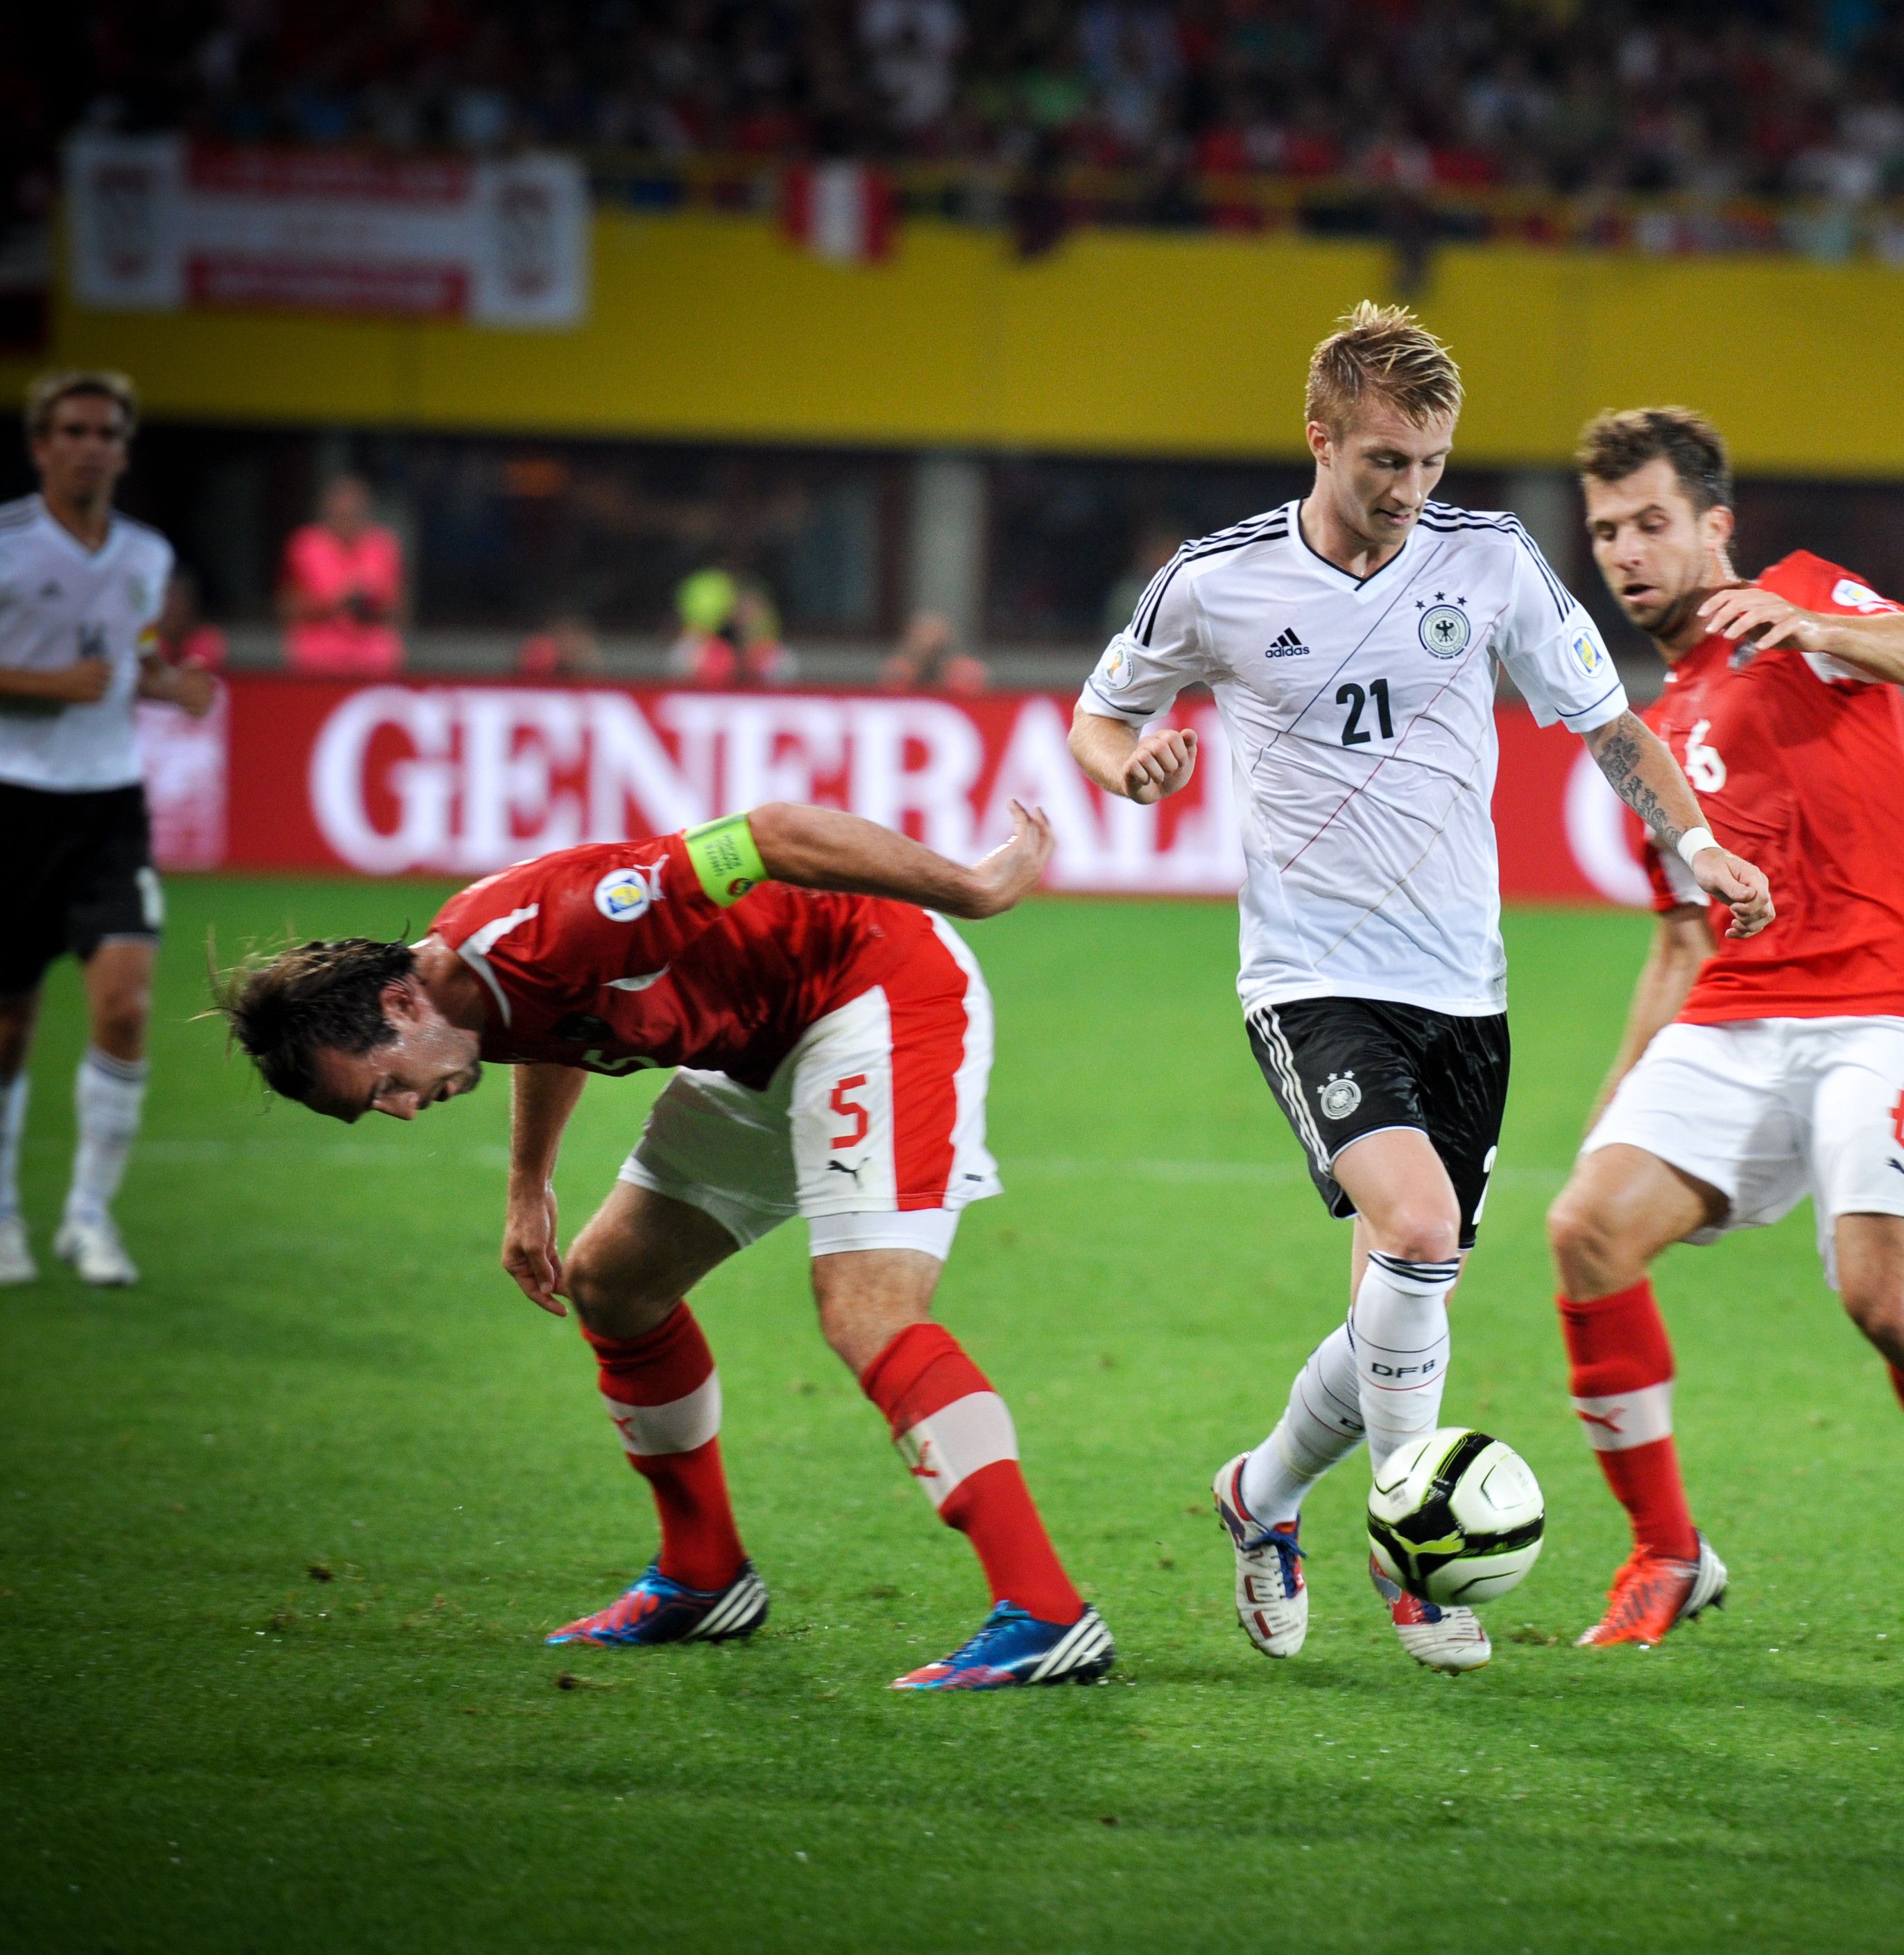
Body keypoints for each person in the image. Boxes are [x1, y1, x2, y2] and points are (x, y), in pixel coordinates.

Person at [1065, 302, 1772, 1675]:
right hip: (1311, 975)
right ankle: (1413, 1563)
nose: (1408, 491)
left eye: (1431, 462)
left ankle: (1259, 1495)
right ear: (1318, 438)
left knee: (1412, 1279)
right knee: (1418, 1219)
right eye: (1385, 459)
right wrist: (1128, 767)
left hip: (1465, 982)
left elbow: (1607, 724)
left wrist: (1694, 839)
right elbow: (1103, 712)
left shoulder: (1490, 562)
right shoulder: (1214, 582)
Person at [207, 797, 1122, 1693]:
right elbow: (548, 1027)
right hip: (756, 1048)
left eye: (383, 1089)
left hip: (871, 993)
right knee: (612, 1284)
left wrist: (970, 886)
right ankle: (703, 1578)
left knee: (866, 1309)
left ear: (401, 1003)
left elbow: (774, 833)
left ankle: (1045, 1612)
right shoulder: (471, 998)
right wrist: (530, 1186)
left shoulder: (547, 926)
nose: (402, 1110)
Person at [1541, 407, 1904, 1651]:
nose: (1626, 550)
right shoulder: (1646, 728)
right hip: (1736, 1011)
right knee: (1585, 1229)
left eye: (1652, 522)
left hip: (1882, 999)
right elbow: (1677, 938)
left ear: (1713, 526)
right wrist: (1614, 1098)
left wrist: (1819, 624)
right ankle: (1665, 1553)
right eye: (1606, 530)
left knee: (1885, 1298)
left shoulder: (1798, 602)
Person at [0, 370, 216, 1290]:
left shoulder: (145, 554)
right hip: (12, 801)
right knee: (9, 1027)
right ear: (42, 444)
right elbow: (69, 672)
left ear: (124, 451)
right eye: (73, 429)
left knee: (125, 1008)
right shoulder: (6, 543)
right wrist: (49, 688)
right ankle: (4, 1214)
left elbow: (130, 657)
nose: (90, 445)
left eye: (106, 432)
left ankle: (89, 1217)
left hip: (109, 808)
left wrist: (169, 682)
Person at [277, 473, 405, 677]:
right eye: (342, 514)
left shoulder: (382, 545)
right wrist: (336, 599)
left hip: (371, 652)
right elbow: (286, 607)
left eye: (355, 514)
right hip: (318, 650)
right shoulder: (305, 544)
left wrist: (371, 601)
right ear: (328, 510)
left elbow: (398, 609)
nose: (348, 520)